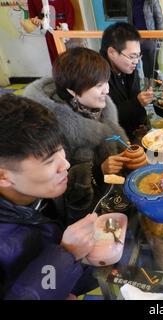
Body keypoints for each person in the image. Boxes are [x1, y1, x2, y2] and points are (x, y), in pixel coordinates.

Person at [0, 94, 98, 300]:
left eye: (60, 150)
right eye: (49, 160)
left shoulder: (37, 190)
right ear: (3, 176)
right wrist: (66, 255)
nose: (66, 164)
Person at [24, 47, 131, 223]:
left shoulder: (100, 109)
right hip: (88, 219)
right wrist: (99, 171)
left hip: (116, 200)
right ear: (73, 91)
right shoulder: (50, 127)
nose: (107, 90)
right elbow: (60, 192)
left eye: (106, 82)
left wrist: (131, 157)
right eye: (99, 85)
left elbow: (117, 143)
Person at [100, 22, 154, 142]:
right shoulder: (98, 76)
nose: (136, 61)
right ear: (112, 52)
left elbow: (135, 98)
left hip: (136, 134)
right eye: (132, 56)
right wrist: (137, 102)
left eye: (138, 56)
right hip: (115, 141)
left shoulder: (128, 68)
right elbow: (104, 118)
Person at [127, 0, 163, 81]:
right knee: (144, 62)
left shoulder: (152, 1)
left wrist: (160, 38)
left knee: (153, 62)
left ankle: (156, 83)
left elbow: (159, 19)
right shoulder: (130, 1)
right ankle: (148, 83)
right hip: (138, 38)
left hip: (151, 37)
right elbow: (130, 20)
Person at [28, 0, 75, 65]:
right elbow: (34, 16)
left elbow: (70, 13)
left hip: (63, 30)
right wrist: (36, 20)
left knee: (69, 57)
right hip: (48, 32)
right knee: (56, 58)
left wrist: (67, 28)